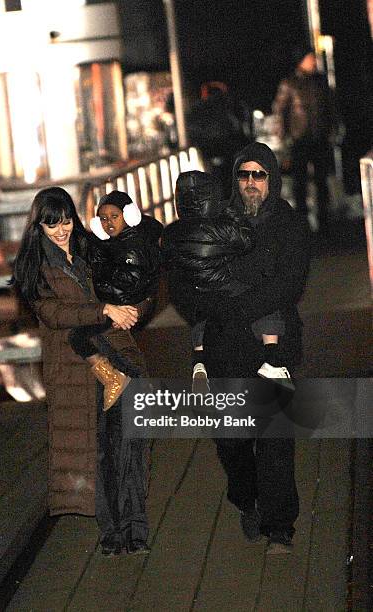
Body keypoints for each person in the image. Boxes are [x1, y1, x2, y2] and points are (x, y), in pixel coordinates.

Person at [11, 186, 150, 557]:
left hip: (115, 356)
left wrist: (129, 302)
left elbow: (130, 273)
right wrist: (103, 310)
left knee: (130, 446)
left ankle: (136, 528)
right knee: (98, 451)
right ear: (37, 226)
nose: (61, 230)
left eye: (67, 220)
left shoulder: (90, 249)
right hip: (76, 369)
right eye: (51, 223)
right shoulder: (35, 267)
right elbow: (55, 315)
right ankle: (112, 533)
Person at [203, 142, 310, 553]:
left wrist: (238, 302)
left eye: (259, 175)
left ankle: (280, 524)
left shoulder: (288, 224)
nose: (250, 184)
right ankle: (247, 499)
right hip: (226, 347)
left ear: (271, 180)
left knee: (274, 437)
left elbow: (289, 283)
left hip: (273, 345)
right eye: (244, 175)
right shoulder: (219, 222)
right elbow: (201, 277)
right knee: (230, 439)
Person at [162, 170, 294, 393]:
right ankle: (272, 361)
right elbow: (246, 240)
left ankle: (199, 361)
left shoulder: (172, 232)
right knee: (267, 306)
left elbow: (168, 260)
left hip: (196, 291)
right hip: (225, 288)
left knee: (200, 318)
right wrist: (230, 212)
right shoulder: (219, 227)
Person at [68, 190, 162, 405]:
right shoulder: (115, 243)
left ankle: (131, 390)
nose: (108, 223)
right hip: (121, 306)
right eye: (103, 219)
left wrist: (96, 280)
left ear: (129, 216)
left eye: (114, 217)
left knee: (89, 339)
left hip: (124, 306)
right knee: (115, 347)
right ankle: (133, 390)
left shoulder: (132, 246)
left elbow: (127, 283)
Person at [272, 47, 335, 232]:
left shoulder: (320, 82)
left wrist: (331, 130)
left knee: (321, 181)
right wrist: (285, 139)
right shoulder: (290, 84)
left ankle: (324, 221)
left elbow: (329, 107)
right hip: (299, 140)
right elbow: (280, 111)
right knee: (300, 183)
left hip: (320, 139)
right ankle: (301, 223)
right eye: (310, 58)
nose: (314, 61)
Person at [187, 81, 253, 199]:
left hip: (210, 152)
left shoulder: (199, 108)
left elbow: (193, 130)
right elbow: (243, 126)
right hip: (230, 151)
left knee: (215, 183)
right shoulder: (230, 104)